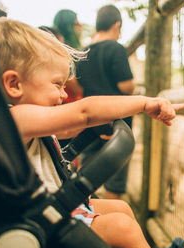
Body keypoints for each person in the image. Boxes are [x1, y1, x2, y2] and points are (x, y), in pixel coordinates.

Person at [0, 18, 184, 248]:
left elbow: (72, 125)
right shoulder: (13, 119)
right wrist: (144, 103)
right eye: (57, 84)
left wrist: (99, 124)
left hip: (50, 212)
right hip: (37, 227)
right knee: (121, 227)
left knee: (121, 208)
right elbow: (83, 112)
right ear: (14, 84)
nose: (63, 94)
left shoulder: (29, 123)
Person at [73, 5, 136, 199]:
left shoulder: (83, 52)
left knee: (88, 173)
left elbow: (77, 84)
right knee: (115, 178)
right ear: (117, 25)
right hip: (116, 123)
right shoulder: (116, 49)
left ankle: (87, 211)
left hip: (91, 123)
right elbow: (126, 86)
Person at [53, 9, 83, 104]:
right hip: (66, 104)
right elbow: (75, 87)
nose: (80, 26)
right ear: (67, 27)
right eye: (76, 24)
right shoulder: (60, 51)